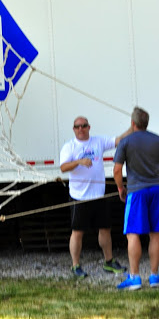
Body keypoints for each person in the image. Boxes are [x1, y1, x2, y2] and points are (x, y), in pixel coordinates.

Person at [60, 115, 131, 278]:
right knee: (77, 232)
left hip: (98, 195)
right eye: (77, 126)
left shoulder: (98, 141)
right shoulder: (69, 146)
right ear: (73, 129)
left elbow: (119, 140)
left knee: (105, 229)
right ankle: (75, 265)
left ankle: (109, 261)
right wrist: (79, 162)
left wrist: (133, 128)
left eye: (84, 126)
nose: (81, 129)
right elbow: (63, 167)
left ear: (89, 127)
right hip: (79, 196)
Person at [114, 106, 159, 290]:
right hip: (156, 190)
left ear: (133, 123)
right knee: (155, 234)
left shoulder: (126, 142)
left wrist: (120, 188)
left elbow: (117, 170)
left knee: (133, 234)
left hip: (136, 192)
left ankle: (135, 277)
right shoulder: (157, 139)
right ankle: (155, 276)